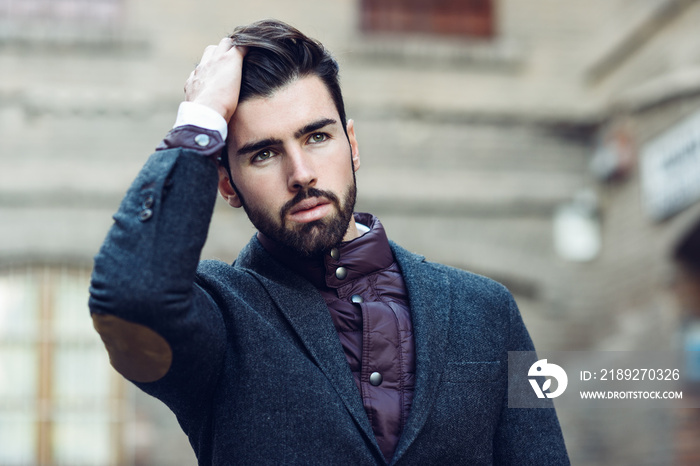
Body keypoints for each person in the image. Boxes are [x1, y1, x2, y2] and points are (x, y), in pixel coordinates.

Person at [89, 19, 569, 465]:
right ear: (228, 185)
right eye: (264, 154)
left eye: (316, 137)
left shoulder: (489, 311)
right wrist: (201, 119)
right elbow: (132, 296)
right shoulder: (219, 322)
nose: (300, 174)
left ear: (353, 144)